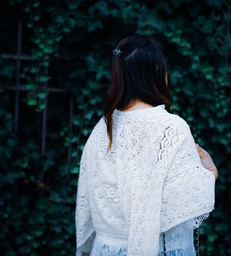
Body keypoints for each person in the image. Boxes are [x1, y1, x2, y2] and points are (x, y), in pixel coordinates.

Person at [75, 34, 218, 256]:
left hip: (106, 249)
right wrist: (209, 172)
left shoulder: (102, 128)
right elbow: (181, 204)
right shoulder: (171, 128)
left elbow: (88, 197)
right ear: (156, 72)